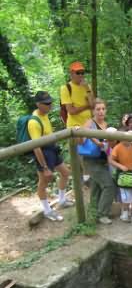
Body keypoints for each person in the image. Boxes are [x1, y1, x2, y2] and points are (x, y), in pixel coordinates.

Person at [28, 91, 73, 221]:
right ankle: (47, 210)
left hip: (52, 150)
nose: (49, 105)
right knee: (43, 182)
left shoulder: (45, 115)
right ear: (38, 104)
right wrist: (45, 167)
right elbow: (36, 147)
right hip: (43, 153)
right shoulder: (33, 122)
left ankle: (62, 199)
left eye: (50, 102)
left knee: (65, 173)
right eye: (46, 103)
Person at [80, 98, 116, 224]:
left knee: (96, 188)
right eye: (98, 109)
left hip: (102, 161)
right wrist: (93, 140)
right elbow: (81, 140)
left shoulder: (106, 125)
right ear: (93, 111)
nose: (101, 112)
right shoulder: (89, 123)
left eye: (103, 109)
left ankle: (93, 213)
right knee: (109, 185)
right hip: (91, 161)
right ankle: (102, 214)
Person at [109, 131, 132, 224]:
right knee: (125, 197)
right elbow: (111, 160)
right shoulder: (117, 147)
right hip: (123, 175)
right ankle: (125, 212)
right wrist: (120, 166)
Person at [60, 61, 95, 128]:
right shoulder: (65, 88)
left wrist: (87, 89)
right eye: (78, 73)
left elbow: (93, 105)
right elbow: (71, 111)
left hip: (89, 125)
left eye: (82, 73)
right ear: (72, 73)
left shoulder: (87, 87)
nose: (80, 75)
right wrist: (87, 106)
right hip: (75, 126)